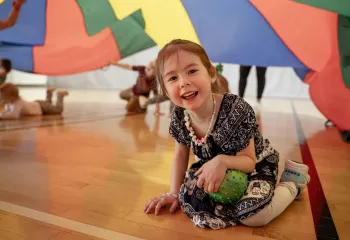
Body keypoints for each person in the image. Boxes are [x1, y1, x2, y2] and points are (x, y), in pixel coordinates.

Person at [144, 39, 310, 229]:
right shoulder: (180, 117)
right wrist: (173, 192)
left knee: (254, 216)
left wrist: (222, 161)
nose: (184, 82)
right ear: (164, 89)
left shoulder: (235, 110)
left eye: (192, 71)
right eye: (173, 78)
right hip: (216, 167)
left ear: (211, 74)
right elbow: (180, 154)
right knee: (188, 199)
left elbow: (248, 161)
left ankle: (291, 183)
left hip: (254, 164)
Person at [0, 84, 68, 120]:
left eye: (3, 98)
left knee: (58, 110)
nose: (1, 100)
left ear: (12, 97)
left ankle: (60, 95)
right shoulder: (9, 103)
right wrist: (2, 114)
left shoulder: (18, 103)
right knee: (49, 104)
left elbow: (14, 115)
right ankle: (49, 92)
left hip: (41, 107)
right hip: (37, 104)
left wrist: (1, 116)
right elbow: (6, 112)